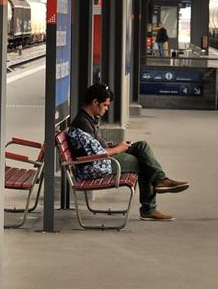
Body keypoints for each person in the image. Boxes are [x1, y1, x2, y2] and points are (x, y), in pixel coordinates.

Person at [67, 82, 188, 221]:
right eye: (105, 105)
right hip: (93, 167)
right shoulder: (82, 124)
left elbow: (95, 147)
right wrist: (118, 149)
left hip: (100, 160)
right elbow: (96, 154)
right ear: (95, 102)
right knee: (143, 162)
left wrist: (117, 146)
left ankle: (160, 180)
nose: (106, 109)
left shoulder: (88, 120)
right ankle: (150, 206)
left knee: (142, 146)